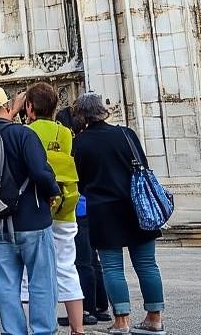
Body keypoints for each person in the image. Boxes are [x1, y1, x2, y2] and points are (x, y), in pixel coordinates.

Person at [0, 85, 59, 335]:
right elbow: (40, 171)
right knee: (41, 284)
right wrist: (53, 191)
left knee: (6, 287)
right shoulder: (22, 134)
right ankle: (43, 332)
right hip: (32, 221)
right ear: (6, 106)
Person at [71, 92, 165, 335]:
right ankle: (154, 318)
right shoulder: (126, 133)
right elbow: (142, 164)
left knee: (112, 267)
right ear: (104, 111)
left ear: (81, 116)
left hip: (103, 210)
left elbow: (80, 181)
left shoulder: (80, 143)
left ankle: (121, 321)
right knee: (146, 264)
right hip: (137, 206)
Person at [13, 84, 86, 335]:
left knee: (28, 271)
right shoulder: (65, 133)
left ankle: (36, 325)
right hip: (66, 205)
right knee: (67, 266)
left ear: (29, 108)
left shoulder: (24, 132)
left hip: (35, 206)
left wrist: (13, 112)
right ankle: (78, 329)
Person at [56, 107, 110, 325]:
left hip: (79, 205)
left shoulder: (74, 145)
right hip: (92, 202)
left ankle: (85, 308)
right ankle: (100, 305)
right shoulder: (90, 142)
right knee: (92, 258)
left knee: (82, 259)